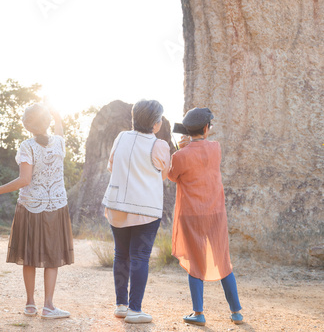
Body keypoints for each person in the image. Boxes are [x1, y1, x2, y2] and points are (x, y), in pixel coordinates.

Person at [0, 103, 74, 319]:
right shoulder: (60, 143)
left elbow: (25, 179)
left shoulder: (27, 146)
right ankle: (48, 306)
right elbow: (59, 132)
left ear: (28, 127)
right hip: (56, 206)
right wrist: (57, 118)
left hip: (31, 207)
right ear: (47, 122)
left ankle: (30, 304)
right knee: (53, 257)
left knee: (29, 256)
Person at [168, 107, 243, 326]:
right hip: (216, 213)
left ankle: (198, 313)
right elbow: (203, 153)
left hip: (192, 214)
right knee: (223, 260)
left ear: (187, 130)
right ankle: (236, 311)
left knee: (194, 261)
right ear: (206, 128)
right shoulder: (216, 148)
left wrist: (182, 147)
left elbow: (173, 175)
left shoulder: (180, 155)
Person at [102, 99, 170, 324]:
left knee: (121, 254)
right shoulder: (159, 145)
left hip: (117, 204)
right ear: (155, 124)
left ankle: (121, 306)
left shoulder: (121, 137)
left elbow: (111, 166)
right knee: (140, 256)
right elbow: (163, 174)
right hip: (145, 209)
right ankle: (135, 309)